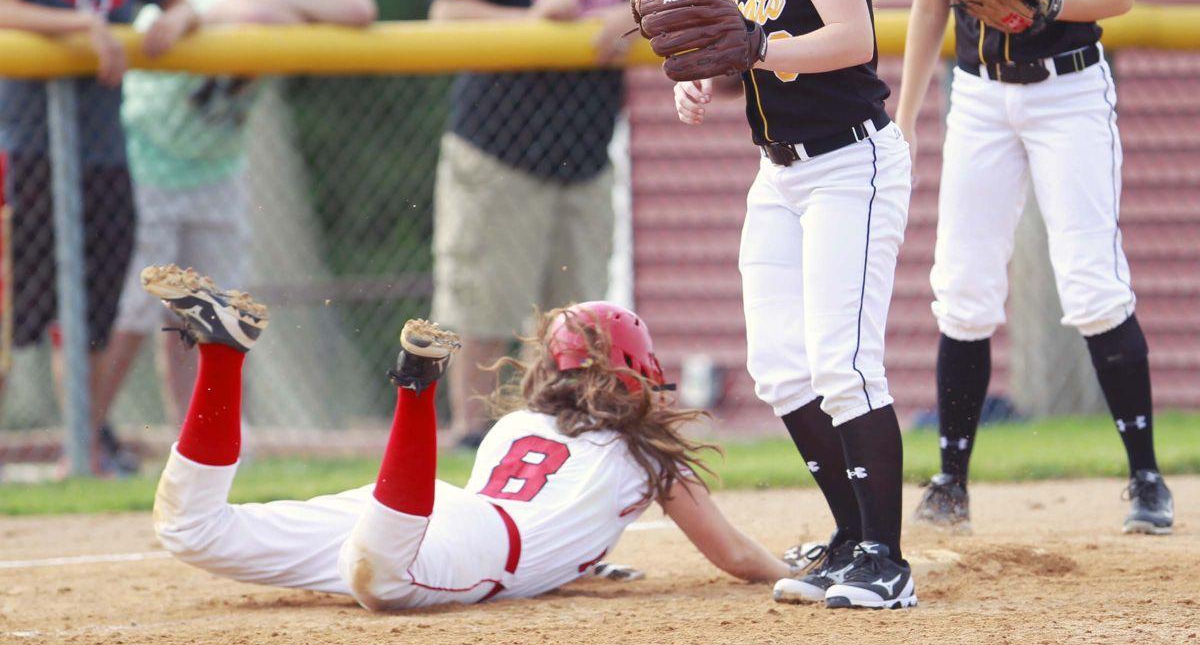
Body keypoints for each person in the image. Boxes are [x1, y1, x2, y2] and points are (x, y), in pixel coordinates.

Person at [894, 0, 1173, 536]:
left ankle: (1147, 477)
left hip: (1068, 90)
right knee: (964, 288)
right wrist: (905, 112)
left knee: (1090, 281)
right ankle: (951, 480)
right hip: (979, 94)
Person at [146, 264, 795, 608]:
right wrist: (793, 573)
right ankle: (417, 387)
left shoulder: (517, 423)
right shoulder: (642, 450)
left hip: (419, 507)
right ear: (635, 372)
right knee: (381, 584)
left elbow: (560, 503)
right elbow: (734, 555)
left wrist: (585, 561)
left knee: (193, 531)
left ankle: (223, 357)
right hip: (462, 539)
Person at [673, 0, 915, 609]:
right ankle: (851, 535)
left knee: (845, 362)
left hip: (852, 161)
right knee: (780, 366)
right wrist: (706, 78)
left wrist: (755, 52)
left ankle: (886, 563)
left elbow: (853, 40)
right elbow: (749, 61)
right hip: (779, 174)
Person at [427, 0, 675, 447]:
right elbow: (446, 13)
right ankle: (473, 429)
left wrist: (636, 11)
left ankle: (563, 425)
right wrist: (529, 20)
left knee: (578, 308)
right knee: (482, 297)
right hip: (497, 155)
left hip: (584, 160)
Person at [92, 0, 377, 440]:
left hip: (216, 170)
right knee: (131, 312)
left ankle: (198, 435)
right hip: (147, 162)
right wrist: (273, 6)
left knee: (210, 313)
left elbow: (360, 7)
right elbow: (224, 7)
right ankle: (87, 436)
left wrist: (278, 0)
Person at [0, 0, 200, 472]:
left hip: (103, 148)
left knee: (89, 306)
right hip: (27, 144)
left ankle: (81, 443)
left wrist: (178, 19)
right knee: (13, 303)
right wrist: (82, 25)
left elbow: (175, 3)